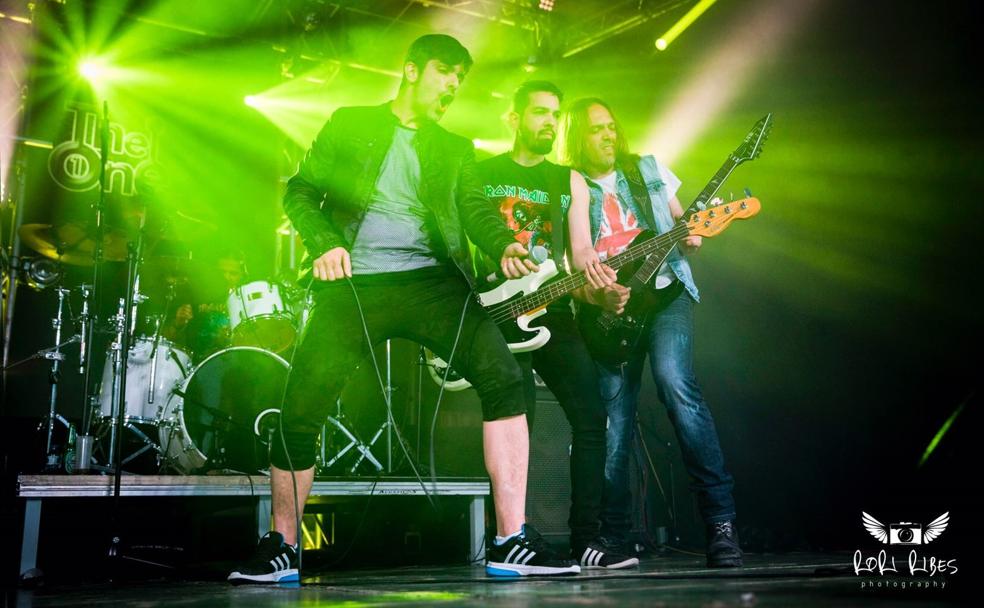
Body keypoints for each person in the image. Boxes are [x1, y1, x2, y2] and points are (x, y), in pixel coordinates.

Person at [227, 35, 579, 583]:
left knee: (504, 377)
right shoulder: (350, 123)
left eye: (460, 78)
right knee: (302, 404)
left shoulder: (453, 147)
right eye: (445, 72)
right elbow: (300, 192)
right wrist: (325, 243)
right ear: (412, 70)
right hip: (353, 283)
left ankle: (511, 540)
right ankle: (282, 546)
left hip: (432, 285)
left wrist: (504, 243)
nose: (452, 86)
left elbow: (473, 210)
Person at [560, 97, 743, 568]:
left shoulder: (648, 168)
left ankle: (721, 524)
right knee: (613, 425)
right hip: (610, 308)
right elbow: (580, 253)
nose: (607, 134)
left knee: (675, 383)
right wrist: (601, 291)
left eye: (611, 126)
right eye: (596, 128)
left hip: (665, 296)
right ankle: (613, 538)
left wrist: (694, 232)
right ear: (578, 135)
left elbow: (690, 232)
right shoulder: (571, 182)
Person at [474, 81, 638, 570]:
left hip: (552, 311)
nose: (548, 122)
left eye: (554, 115)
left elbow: (580, 254)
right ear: (515, 118)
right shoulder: (481, 173)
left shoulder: (569, 180)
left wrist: (599, 284)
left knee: (592, 419)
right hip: (496, 312)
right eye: (539, 113)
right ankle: (513, 537)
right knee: (512, 421)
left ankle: (587, 540)